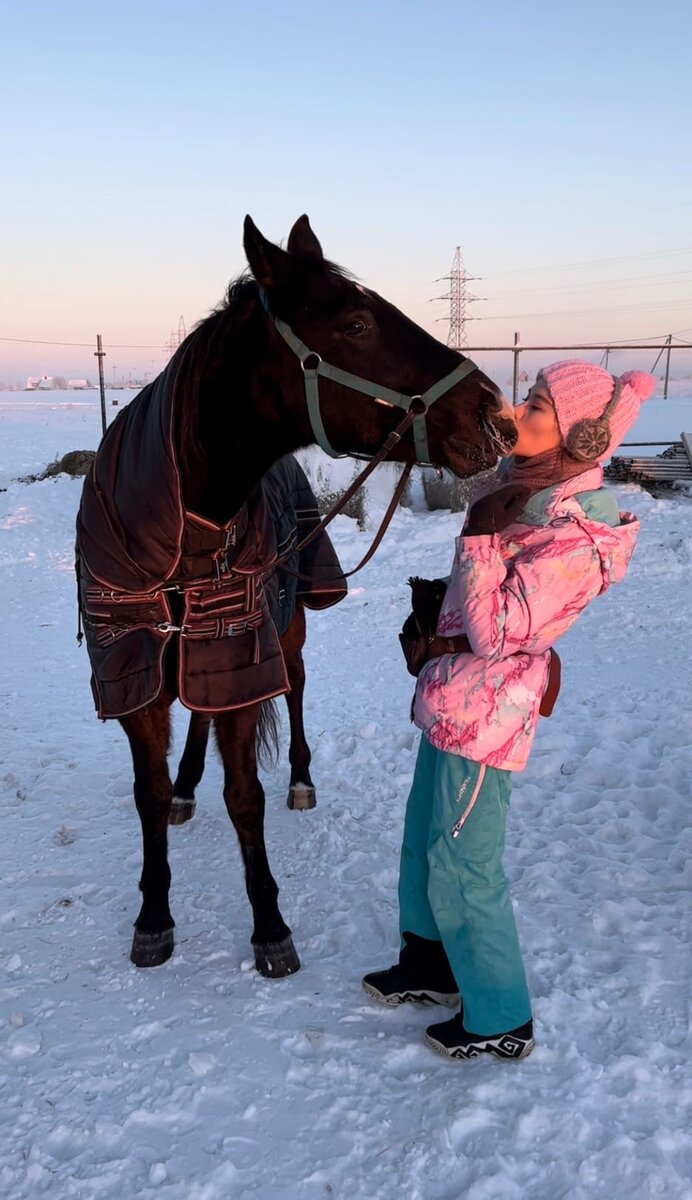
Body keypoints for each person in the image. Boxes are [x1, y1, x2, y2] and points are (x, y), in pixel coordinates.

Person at [363, 360, 656, 1062]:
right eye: (528, 398)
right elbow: (481, 604)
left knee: (466, 861)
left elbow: (501, 634)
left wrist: (477, 540)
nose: (518, 413)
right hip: (451, 695)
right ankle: (430, 963)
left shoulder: (580, 536)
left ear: (581, 439)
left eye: (537, 408)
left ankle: (499, 1014)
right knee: (421, 839)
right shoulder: (522, 492)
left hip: (490, 713)